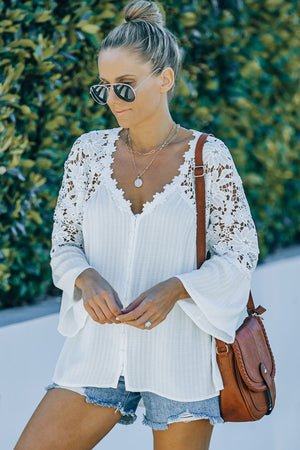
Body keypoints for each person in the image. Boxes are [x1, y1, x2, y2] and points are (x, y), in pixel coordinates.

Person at [15, 1, 259, 449]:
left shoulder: (209, 157)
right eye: (103, 88)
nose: (111, 100)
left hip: (181, 361)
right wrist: (84, 278)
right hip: (97, 354)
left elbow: (240, 255)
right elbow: (64, 243)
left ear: (164, 79)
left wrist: (177, 289)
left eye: (124, 87)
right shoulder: (87, 153)